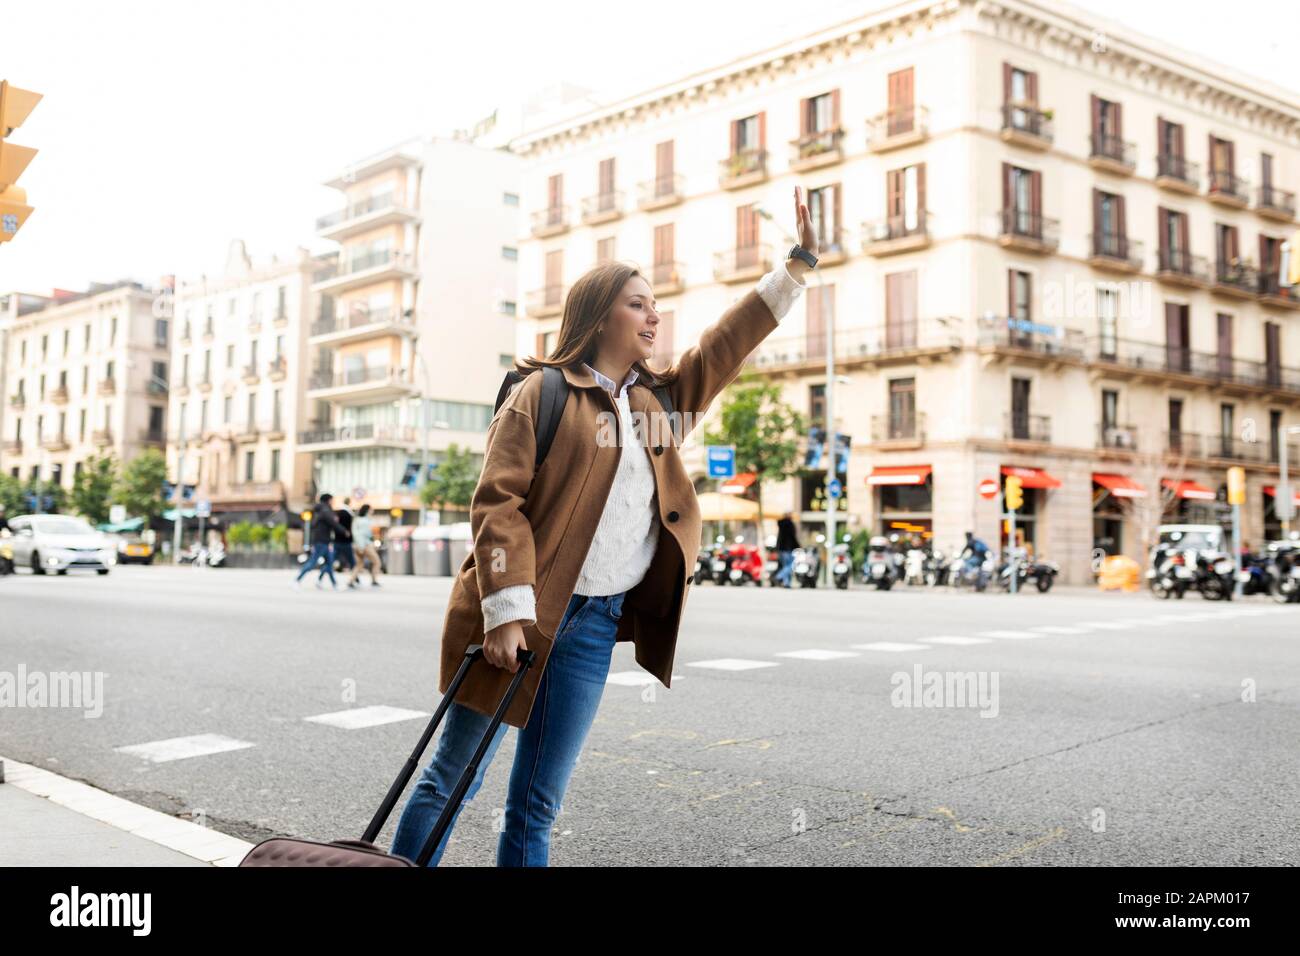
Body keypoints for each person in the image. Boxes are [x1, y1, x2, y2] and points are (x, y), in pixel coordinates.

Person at [388, 186, 817, 867]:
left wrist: (793, 268)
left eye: (654, 303)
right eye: (637, 302)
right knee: (451, 780)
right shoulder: (545, 392)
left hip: (591, 626)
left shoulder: (655, 403)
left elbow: (723, 346)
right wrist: (504, 613)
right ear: (599, 316)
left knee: (537, 803)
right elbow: (497, 504)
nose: (654, 314)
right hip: (520, 618)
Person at [295, 493, 345, 589]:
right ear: (328, 500)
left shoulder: (321, 510)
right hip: (321, 542)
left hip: (325, 541)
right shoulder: (325, 510)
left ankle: (334, 584)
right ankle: (297, 580)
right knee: (312, 563)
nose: (333, 502)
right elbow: (333, 523)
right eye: (332, 500)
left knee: (329, 564)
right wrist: (344, 531)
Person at [347, 504, 381, 589]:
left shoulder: (357, 519)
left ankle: (351, 581)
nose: (372, 511)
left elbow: (355, 533)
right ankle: (374, 580)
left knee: (359, 564)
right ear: (367, 510)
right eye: (371, 509)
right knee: (377, 562)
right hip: (364, 545)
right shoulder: (365, 521)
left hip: (357, 544)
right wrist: (361, 546)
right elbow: (360, 534)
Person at [325, 497, 355, 579]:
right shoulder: (348, 513)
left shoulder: (337, 513)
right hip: (345, 541)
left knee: (331, 560)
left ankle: (321, 577)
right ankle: (355, 579)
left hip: (337, 540)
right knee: (352, 562)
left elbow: (335, 526)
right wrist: (346, 532)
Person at [773, 512, 799, 588]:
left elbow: (779, 538)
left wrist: (777, 548)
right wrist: (798, 546)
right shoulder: (790, 524)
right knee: (790, 565)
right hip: (788, 548)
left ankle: (786, 583)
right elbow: (792, 537)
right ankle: (779, 576)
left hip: (781, 548)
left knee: (785, 565)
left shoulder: (781, 525)